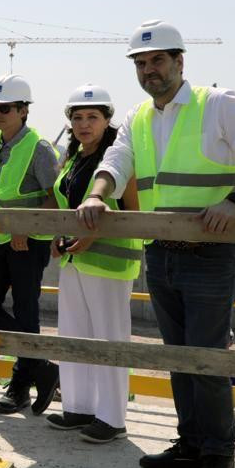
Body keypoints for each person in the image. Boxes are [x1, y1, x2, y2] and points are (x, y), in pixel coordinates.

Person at [76, 19, 235, 468]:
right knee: (177, 357)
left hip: (209, 254)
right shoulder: (139, 118)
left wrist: (234, 201)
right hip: (160, 252)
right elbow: (115, 161)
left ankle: (219, 457)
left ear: (179, 62)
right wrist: (98, 196)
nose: (150, 70)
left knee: (206, 359)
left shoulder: (218, 105)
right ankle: (191, 442)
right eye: (142, 63)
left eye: (158, 61)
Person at [45, 84, 142, 444]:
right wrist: (59, 235)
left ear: (107, 121)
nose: (84, 124)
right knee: (73, 335)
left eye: (92, 117)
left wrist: (94, 236)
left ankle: (112, 417)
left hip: (109, 263)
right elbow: (66, 206)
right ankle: (79, 407)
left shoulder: (118, 161)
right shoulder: (73, 158)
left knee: (109, 338)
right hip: (75, 261)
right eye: (78, 118)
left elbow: (133, 212)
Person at [0, 74, 59, 415]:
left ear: (23, 110)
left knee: (25, 311)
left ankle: (20, 385)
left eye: (4, 108)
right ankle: (41, 367)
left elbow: (55, 199)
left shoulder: (40, 149)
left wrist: (28, 228)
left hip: (26, 244)